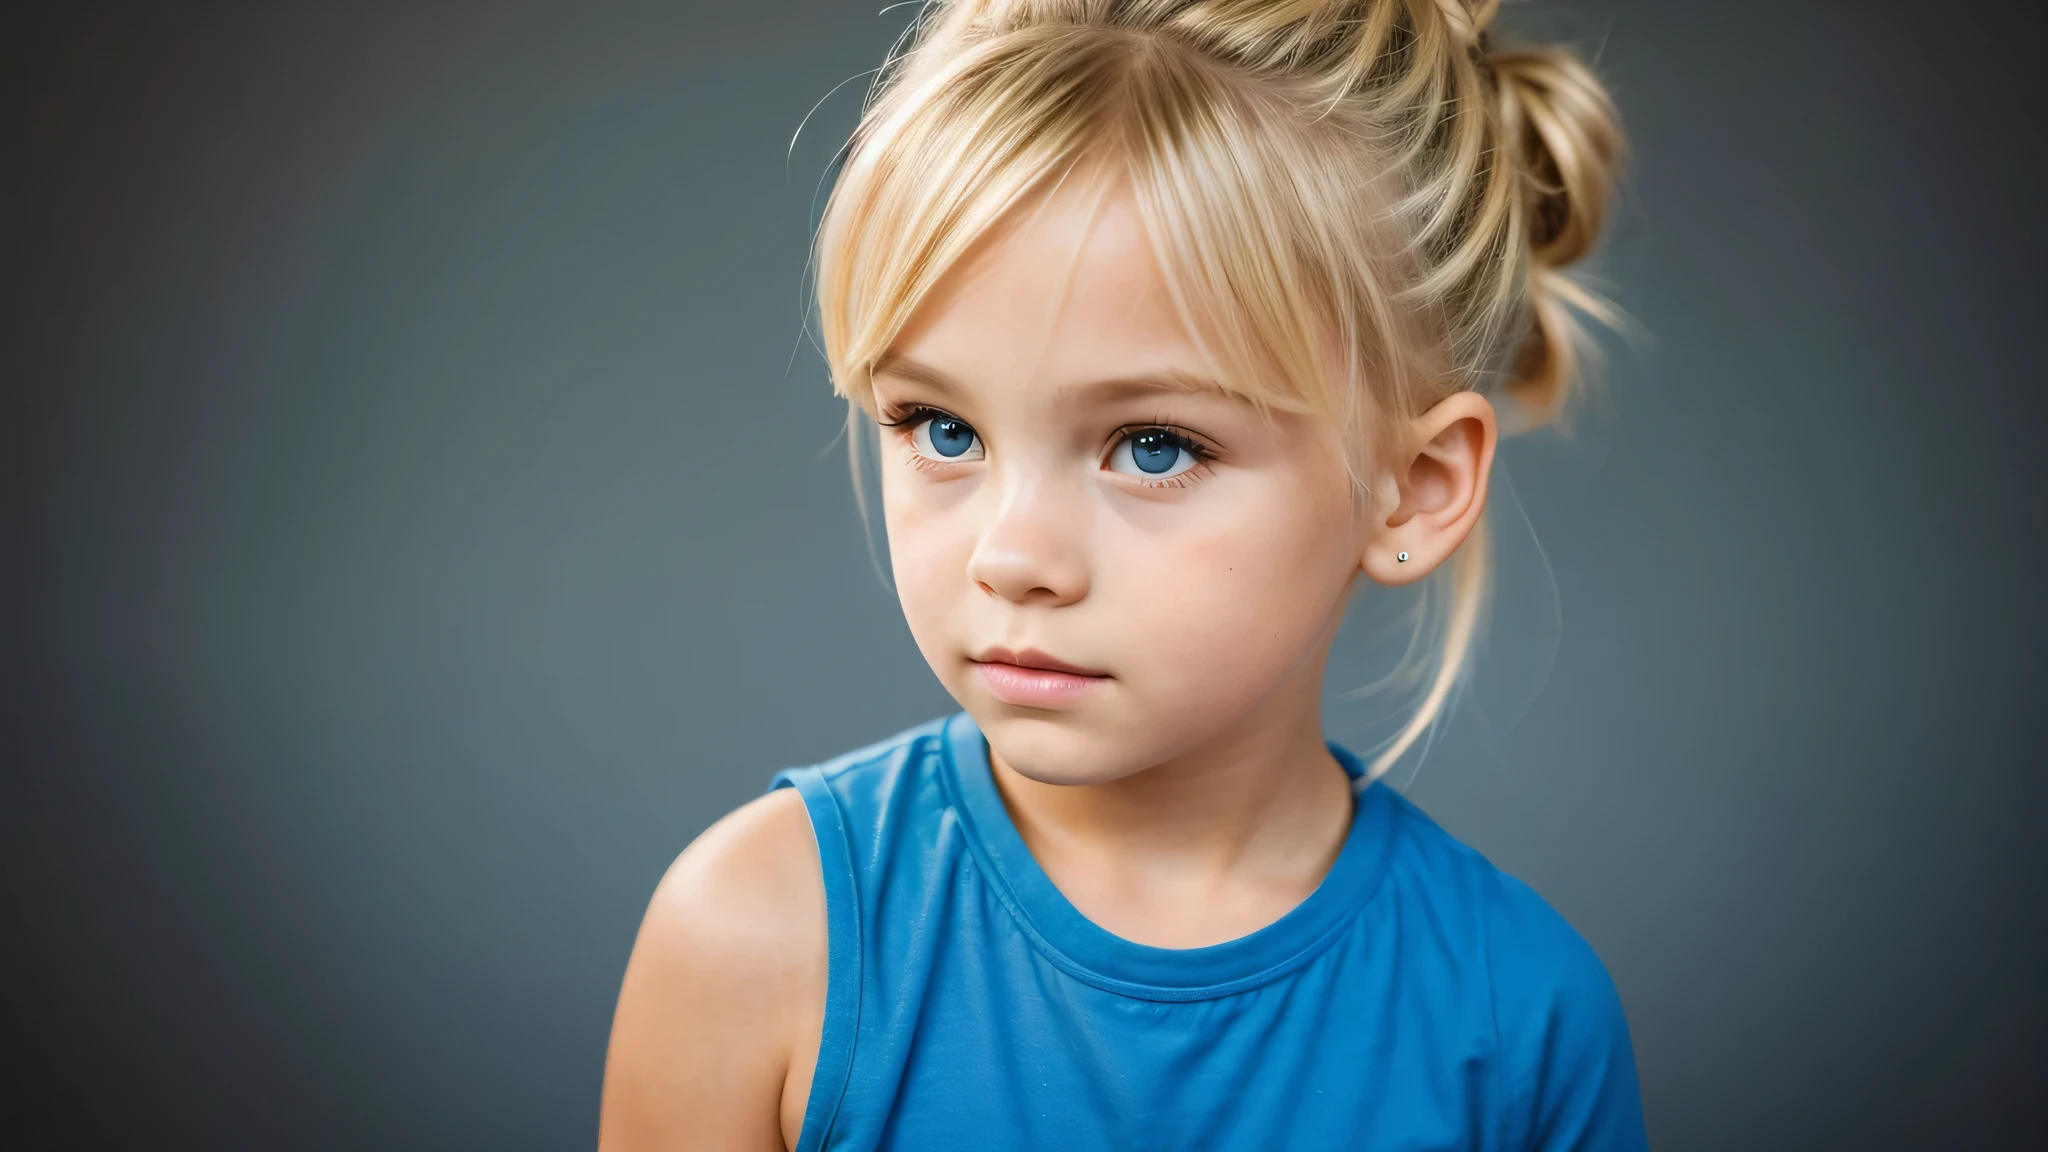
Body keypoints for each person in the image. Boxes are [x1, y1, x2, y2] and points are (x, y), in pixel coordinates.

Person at [598, 1, 1645, 1148]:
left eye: (1153, 447)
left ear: (1415, 487)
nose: (1012, 557)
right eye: (939, 427)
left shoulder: (1518, 1024)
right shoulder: (756, 939)